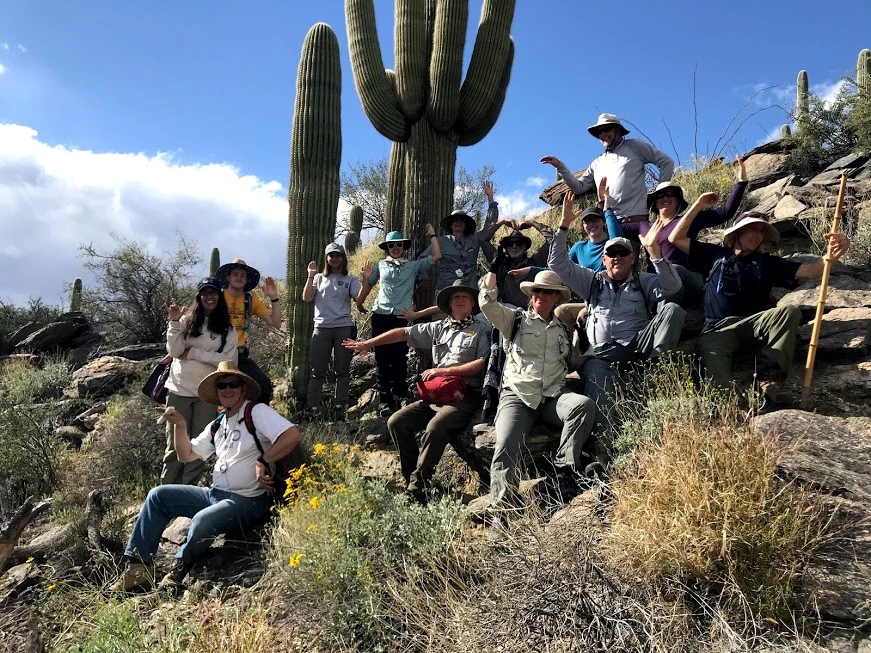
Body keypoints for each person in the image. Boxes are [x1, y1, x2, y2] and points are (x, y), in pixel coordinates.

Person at [113, 361, 302, 592]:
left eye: (233, 384)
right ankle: (138, 568)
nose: (227, 389)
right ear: (217, 392)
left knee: (203, 520)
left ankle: (179, 568)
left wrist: (264, 460)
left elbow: (292, 435)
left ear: (243, 388)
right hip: (215, 495)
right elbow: (186, 455)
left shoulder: (256, 411)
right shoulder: (218, 424)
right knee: (158, 496)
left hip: (247, 500)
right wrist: (180, 425)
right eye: (222, 386)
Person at [549, 192, 686, 456]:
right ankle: (604, 449)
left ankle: (658, 364)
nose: (617, 257)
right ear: (604, 259)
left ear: (632, 257)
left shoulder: (643, 279)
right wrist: (564, 226)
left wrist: (655, 253)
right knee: (599, 391)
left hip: (639, 345)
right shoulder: (591, 281)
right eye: (612, 253)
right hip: (602, 354)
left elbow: (672, 288)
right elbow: (558, 264)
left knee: (672, 309)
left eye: (623, 253)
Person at [668, 203, 850, 401]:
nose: (758, 234)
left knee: (788, 311)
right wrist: (699, 205)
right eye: (752, 228)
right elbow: (675, 238)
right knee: (715, 373)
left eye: (762, 230)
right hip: (717, 330)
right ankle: (727, 405)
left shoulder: (767, 262)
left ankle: (768, 378)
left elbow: (813, 271)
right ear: (737, 232)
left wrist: (832, 254)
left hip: (757, 324)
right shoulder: (714, 255)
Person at [344, 280, 490, 502]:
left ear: (473, 304)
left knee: (435, 428)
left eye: (465, 297)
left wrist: (444, 372)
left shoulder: (482, 329)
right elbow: (402, 333)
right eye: (455, 297)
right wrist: (369, 344)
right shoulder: (439, 327)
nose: (460, 300)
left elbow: (481, 363)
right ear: (449, 305)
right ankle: (414, 480)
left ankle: (417, 489)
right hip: (435, 396)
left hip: (464, 396)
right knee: (396, 422)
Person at [479, 269, 596, 511]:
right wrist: (491, 277)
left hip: (553, 396)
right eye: (538, 290)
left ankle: (564, 470)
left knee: (582, 406)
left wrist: (587, 345)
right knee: (506, 443)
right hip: (518, 395)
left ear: (557, 297)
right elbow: (488, 307)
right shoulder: (514, 320)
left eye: (548, 291)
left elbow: (571, 363)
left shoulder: (564, 330)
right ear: (531, 295)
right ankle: (502, 507)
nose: (541, 294)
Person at [620, 155, 749, 306]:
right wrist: (604, 205)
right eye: (660, 195)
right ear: (654, 203)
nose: (665, 198)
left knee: (673, 270)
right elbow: (613, 229)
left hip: (687, 279)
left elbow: (725, 212)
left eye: (670, 195)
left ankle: (664, 314)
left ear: (678, 201)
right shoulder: (644, 226)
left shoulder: (689, 219)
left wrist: (741, 183)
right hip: (657, 283)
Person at [356, 226, 442, 416]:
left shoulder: (413, 265)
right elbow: (368, 287)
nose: (395, 248)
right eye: (391, 245)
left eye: (399, 245)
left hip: (401, 316)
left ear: (403, 247)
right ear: (387, 247)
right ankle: (384, 401)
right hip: (380, 314)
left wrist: (433, 236)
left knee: (398, 356)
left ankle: (399, 396)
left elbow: (436, 257)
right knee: (381, 358)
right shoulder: (380, 265)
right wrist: (360, 303)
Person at [160, 276, 238, 486]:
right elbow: (175, 351)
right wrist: (174, 321)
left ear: (219, 297)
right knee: (174, 446)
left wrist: (194, 353)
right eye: (205, 293)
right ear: (199, 297)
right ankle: (166, 491)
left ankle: (186, 492)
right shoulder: (187, 321)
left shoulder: (226, 329)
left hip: (206, 394)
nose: (209, 297)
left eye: (213, 293)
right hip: (178, 390)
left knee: (197, 447)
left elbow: (229, 361)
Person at [541, 113, 674, 221]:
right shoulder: (597, 163)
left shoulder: (634, 146)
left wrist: (659, 193)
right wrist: (560, 166)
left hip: (636, 217)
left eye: (606, 129)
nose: (603, 134)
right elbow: (579, 187)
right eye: (599, 132)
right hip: (608, 220)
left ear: (617, 130)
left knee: (632, 253)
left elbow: (666, 162)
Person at [302, 242, 365, 422]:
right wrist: (310, 276)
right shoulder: (318, 278)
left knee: (342, 370)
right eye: (332, 255)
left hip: (343, 327)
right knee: (317, 371)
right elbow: (306, 298)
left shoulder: (350, 280)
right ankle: (312, 410)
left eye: (338, 255)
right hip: (321, 328)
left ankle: (339, 409)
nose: (335, 259)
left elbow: (359, 299)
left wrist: (366, 280)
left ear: (343, 258)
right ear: (327, 258)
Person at [418, 181, 514, 290]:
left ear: (465, 225)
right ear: (450, 225)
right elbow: (421, 259)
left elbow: (489, 225)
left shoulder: (475, 238)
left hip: (469, 289)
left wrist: (490, 198)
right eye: (455, 220)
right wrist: (423, 278)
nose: (458, 222)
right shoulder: (441, 241)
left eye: (461, 221)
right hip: (445, 289)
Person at [215, 258, 281, 405]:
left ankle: (248, 421)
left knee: (263, 387)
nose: (239, 278)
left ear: (246, 280)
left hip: (238, 354)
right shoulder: (216, 297)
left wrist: (274, 298)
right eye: (235, 274)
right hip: (214, 352)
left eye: (243, 275)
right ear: (228, 277)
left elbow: (276, 323)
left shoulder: (250, 301)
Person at [566, 177, 625, 272]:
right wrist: (533, 270)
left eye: (595, 220)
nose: (591, 224)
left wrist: (606, 208)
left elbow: (618, 240)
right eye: (587, 221)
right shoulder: (579, 247)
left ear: (603, 222)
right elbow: (562, 268)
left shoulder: (611, 242)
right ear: (583, 226)